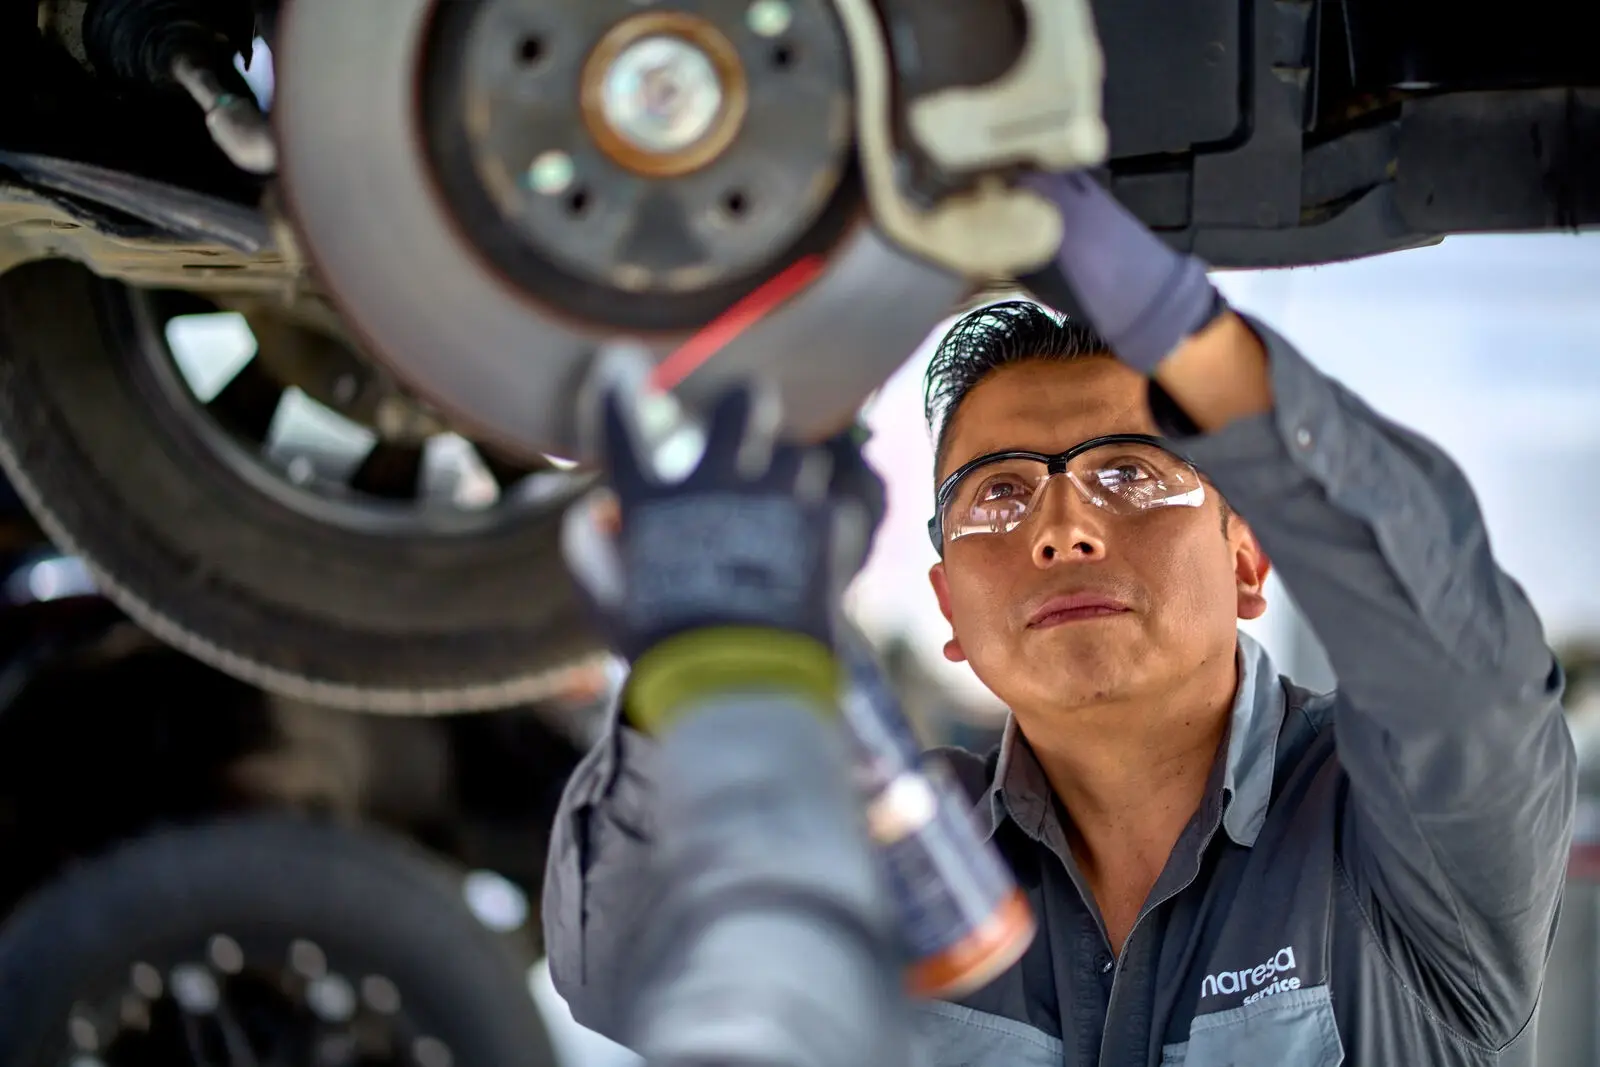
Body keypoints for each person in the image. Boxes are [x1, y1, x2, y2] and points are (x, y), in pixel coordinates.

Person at [544, 169, 1578, 1066]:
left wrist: (1198, 346)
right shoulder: (897, 842)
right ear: (949, 607)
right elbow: (620, 959)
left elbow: (1463, 665)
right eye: (996, 492)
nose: (1062, 525)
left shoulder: (1396, 830)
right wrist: (713, 631)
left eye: (1127, 470)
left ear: (1248, 558)